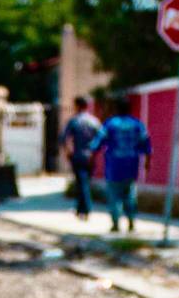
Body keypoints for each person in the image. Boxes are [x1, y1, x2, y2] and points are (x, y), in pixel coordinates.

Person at [99, 99, 152, 233]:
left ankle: (116, 223)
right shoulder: (137, 124)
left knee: (114, 195)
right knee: (130, 194)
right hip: (131, 165)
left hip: (114, 166)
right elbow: (146, 143)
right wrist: (147, 161)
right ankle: (131, 221)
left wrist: (91, 156)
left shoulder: (110, 124)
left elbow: (98, 141)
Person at [60, 95, 104, 221]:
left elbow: (64, 138)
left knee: (81, 183)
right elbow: (102, 137)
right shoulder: (94, 121)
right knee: (85, 182)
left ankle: (85, 209)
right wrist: (94, 151)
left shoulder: (74, 121)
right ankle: (81, 208)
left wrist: (68, 152)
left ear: (77, 106)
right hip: (90, 156)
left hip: (78, 155)